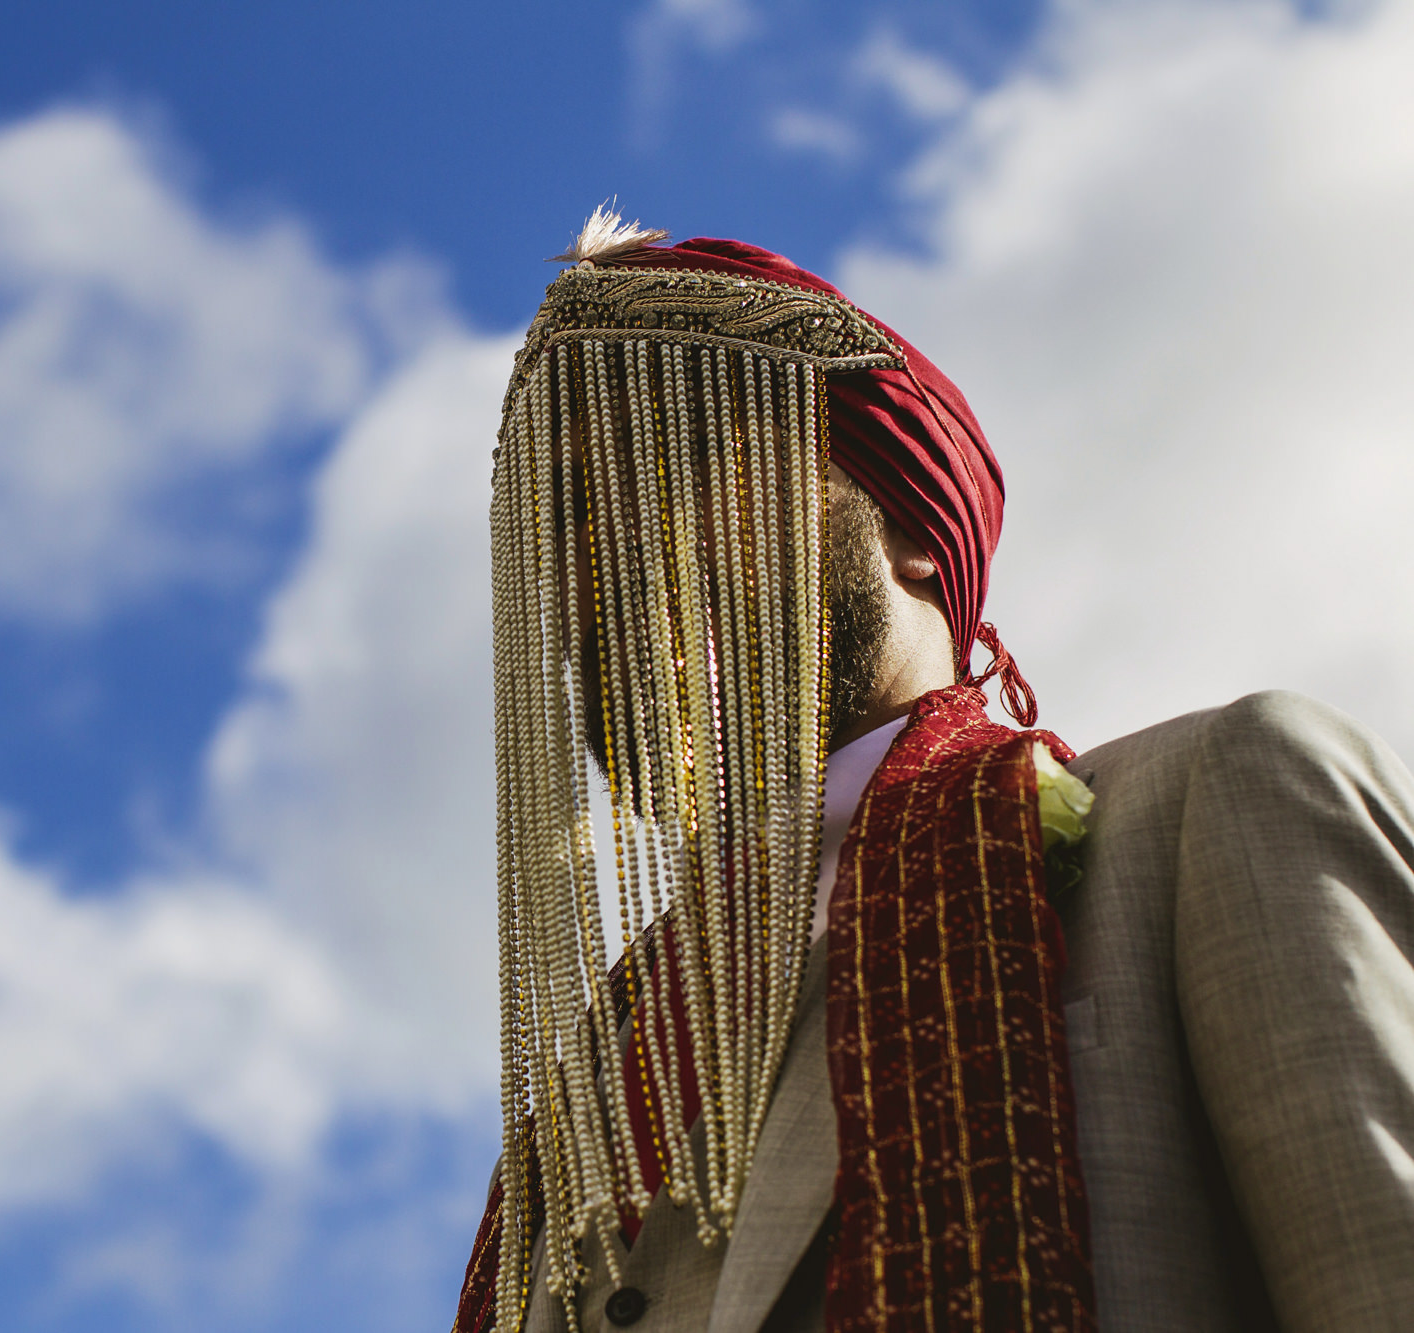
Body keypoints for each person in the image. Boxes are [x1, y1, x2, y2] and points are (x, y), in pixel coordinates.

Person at [452, 209, 1414, 1333]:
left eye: (678, 454)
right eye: (562, 520)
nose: (600, 554)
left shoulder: (1212, 802)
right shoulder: (587, 1072)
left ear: (908, 522)